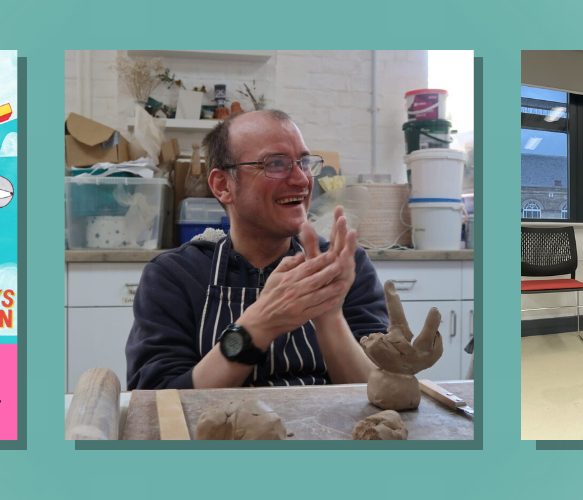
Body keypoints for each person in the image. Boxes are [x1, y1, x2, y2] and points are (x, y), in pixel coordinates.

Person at [126, 110, 389, 389]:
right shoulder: (175, 275)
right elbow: (159, 398)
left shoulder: (343, 264)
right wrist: (258, 326)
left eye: (303, 163)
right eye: (275, 164)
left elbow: (383, 391)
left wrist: (329, 316)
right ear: (223, 185)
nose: (302, 180)